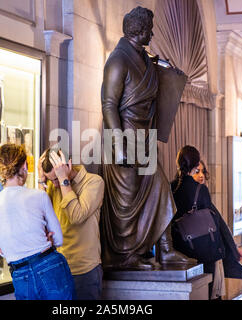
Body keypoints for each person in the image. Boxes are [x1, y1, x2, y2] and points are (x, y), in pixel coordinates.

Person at [100, 6, 191, 270]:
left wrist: (165, 68)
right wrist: (118, 147)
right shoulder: (118, 60)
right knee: (126, 203)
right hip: (122, 140)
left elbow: (162, 83)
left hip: (143, 140)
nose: (152, 33)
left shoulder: (144, 59)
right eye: (149, 29)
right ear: (138, 31)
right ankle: (125, 256)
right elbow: (108, 105)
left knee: (161, 190)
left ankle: (166, 250)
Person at [0, 144, 75, 300]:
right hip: (50, 266)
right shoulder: (39, 196)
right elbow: (58, 239)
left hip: (20, 274)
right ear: (24, 166)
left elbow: (2, 250)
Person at [171, 146, 242, 300]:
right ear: (195, 163)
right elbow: (214, 223)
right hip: (203, 251)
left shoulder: (170, 188)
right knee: (208, 292)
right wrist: (229, 248)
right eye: (198, 170)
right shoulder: (200, 190)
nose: (201, 175)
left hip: (179, 251)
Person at [38, 148, 105, 300]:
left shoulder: (93, 182)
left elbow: (76, 216)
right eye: (50, 180)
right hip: (57, 268)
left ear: (68, 165)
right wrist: (41, 181)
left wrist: (63, 180)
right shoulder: (52, 185)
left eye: (55, 179)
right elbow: (37, 217)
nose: (54, 185)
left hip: (85, 270)